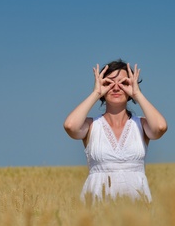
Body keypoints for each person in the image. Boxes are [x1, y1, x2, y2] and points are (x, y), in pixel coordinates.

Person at [64, 59, 167, 204]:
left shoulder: (142, 125)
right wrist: (96, 93)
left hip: (137, 211)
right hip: (97, 209)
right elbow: (70, 126)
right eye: (109, 83)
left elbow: (160, 128)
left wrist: (137, 94)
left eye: (124, 83)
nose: (116, 87)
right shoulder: (92, 125)